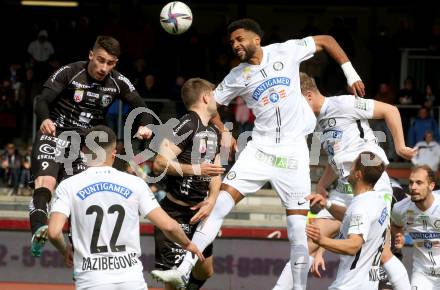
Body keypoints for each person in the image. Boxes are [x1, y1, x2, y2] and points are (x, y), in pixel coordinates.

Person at [151, 18, 366, 290]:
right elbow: (209, 108)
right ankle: (181, 270)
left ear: (256, 38)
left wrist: (351, 74)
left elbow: (327, 40)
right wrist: (223, 130)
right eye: (232, 42)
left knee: (299, 233)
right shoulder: (235, 76)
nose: (236, 45)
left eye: (240, 39)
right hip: (260, 149)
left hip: (294, 153)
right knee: (218, 207)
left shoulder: (286, 51)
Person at [272, 72, 414, 290]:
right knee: (306, 238)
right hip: (344, 189)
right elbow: (337, 160)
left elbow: (390, 110)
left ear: (308, 95)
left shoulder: (344, 104)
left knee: (382, 252)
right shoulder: (317, 121)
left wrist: (400, 146)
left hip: (371, 186)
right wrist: (321, 184)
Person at [30, 35, 153, 257]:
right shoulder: (70, 72)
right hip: (55, 133)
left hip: (85, 145)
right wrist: (45, 119)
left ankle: (77, 253)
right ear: (91, 55)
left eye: (110, 63)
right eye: (101, 60)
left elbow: (141, 107)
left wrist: (145, 126)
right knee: (46, 181)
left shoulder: (118, 82)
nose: (104, 67)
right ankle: (39, 227)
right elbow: (41, 100)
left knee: (80, 195)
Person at [47, 125, 203, 290]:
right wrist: (188, 245)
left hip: (91, 281)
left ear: (84, 152)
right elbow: (169, 226)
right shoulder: (135, 183)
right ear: (114, 152)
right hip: (131, 280)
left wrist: (65, 251)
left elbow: (54, 232)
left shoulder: (68, 186)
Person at [152, 78, 224, 290]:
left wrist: (211, 200)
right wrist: (195, 169)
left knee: (205, 270)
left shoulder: (214, 131)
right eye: (214, 94)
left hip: (199, 216)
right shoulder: (186, 123)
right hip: (175, 214)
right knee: (174, 283)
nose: (217, 99)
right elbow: (159, 163)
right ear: (205, 97)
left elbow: (216, 172)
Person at [306, 152, 390, 290]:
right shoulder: (376, 200)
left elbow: (353, 245)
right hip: (366, 285)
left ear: (358, 174)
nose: (348, 170)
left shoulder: (361, 207)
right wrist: (327, 204)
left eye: (352, 167)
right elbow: (352, 216)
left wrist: (322, 240)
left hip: (350, 285)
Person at [391, 165, 440, 290]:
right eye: (411, 182)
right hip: (422, 274)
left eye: (419, 183)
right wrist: (400, 235)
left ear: (431, 186)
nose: (413, 187)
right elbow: (396, 225)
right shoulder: (400, 209)